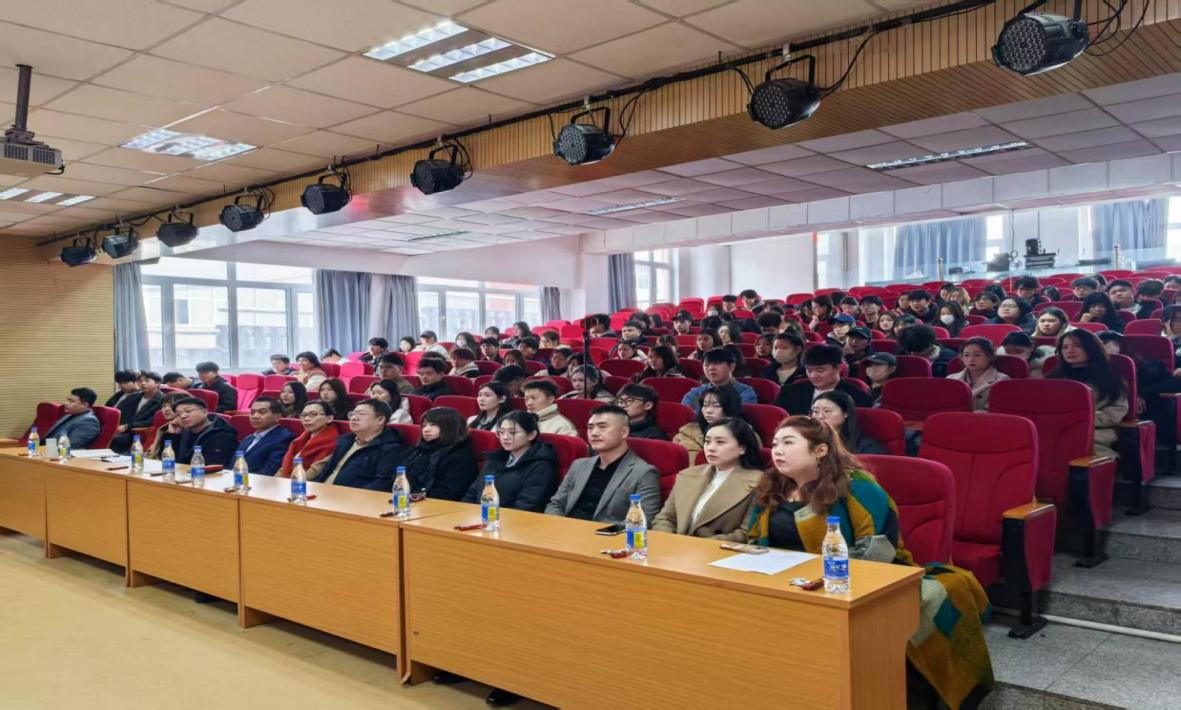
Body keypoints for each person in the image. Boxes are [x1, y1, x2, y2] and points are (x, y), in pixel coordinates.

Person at [748, 416, 994, 709]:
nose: (777, 450)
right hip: (786, 582)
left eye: (788, 443)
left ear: (820, 450)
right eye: (775, 443)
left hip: (858, 579)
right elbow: (754, 540)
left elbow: (878, 548)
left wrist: (821, 578)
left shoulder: (856, 486)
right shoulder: (773, 486)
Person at [545, 405, 661, 523]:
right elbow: (556, 504)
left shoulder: (643, 473)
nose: (594, 433)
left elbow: (641, 519)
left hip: (607, 533)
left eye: (602, 427)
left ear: (624, 432)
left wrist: (600, 533)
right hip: (565, 529)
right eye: (590, 427)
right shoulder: (579, 465)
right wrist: (558, 526)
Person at [652, 417, 762, 541]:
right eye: (707, 441)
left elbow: (746, 533)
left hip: (717, 549)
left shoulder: (758, 482)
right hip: (674, 546)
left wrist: (698, 545)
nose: (710, 448)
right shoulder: (687, 475)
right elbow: (665, 518)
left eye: (720, 442)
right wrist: (669, 541)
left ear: (742, 448)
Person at [1047, 330, 1128, 458]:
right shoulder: (1053, 378)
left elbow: (1114, 413)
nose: (1070, 350)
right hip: (1056, 428)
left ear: (1091, 348)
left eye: (1077, 346)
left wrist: (1077, 418)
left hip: (1096, 431)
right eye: (1065, 347)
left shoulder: (1110, 379)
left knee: (1069, 441)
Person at [461, 411, 559, 512]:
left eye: (512, 433)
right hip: (481, 517)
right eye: (501, 432)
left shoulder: (541, 466)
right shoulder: (494, 459)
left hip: (513, 519)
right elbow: (473, 493)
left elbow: (527, 505)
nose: (505, 437)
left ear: (531, 435)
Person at [313, 399, 406, 490]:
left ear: (380, 420)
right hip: (323, 493)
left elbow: (380, 485)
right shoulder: (345, 440)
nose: (354, 418)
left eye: (361, 414)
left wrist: (347, 497)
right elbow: (325, 472)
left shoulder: (391, 449)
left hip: (351, 498)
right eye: (352, 414)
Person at [401, 407, 479, 501]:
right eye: (424, 425)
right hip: (410, 501)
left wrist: (414, 497)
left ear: (450, 427)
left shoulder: (460, 457)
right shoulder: (420, 450)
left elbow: (449, 493)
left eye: (433, 425)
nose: (426, 430)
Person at [776, 344, 871, 414]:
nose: (813, 375)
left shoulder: (858, 398)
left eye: (820, 370)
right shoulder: (789, 392)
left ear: (838, 368)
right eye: (809, 370)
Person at [674, 385, 752, 456]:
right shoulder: (688, 433)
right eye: (705, 405)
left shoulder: (745, 434)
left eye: (716, 406)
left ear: (730, 407)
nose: (708, 411)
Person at [277, 401, 339, 478]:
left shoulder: (333, 443)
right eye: (303, 415)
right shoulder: (300, 440)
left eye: (313, 414)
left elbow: (312, 474)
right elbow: (284, 467)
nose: (306, 419)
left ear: (329, 418)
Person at [810, 391, 885, 454]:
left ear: (846, 413)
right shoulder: (807, 439)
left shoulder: (866, 446)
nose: (820, 416)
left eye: (827, 411)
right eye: (815, 411)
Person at [681, 348, 757, 409]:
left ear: (731, 366)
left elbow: (737, 418)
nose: (711, 368)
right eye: (706, 364)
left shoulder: (745, 392)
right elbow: (686, 415)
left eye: (717, 363)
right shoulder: (695, 392)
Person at [947, 337, 1009, 411]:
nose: (970, 359)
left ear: (990, 356)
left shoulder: (1001, 380)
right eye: (966, 355)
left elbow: (994, 410)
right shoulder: (951, 379)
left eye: (977, 355)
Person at [172, 396, 237, 467]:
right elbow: (167, 459)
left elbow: (213, 466)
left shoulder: (222, 435)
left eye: (188, 411)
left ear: (205, 412)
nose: (183, 416)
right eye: (178, 414)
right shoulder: (183, 432)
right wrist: (173, 435)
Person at [238, 397, 296, 475]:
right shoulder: (248, 438)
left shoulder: (284, 438)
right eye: (252, 412)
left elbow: (271, 471)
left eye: (262, 412)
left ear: (277, 417)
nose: (255, 416)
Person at [110, 371, 166, 453]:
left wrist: (127, 426)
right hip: (125, 430)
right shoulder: (134, 397)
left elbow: (152, 421)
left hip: (140, 432)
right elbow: (121, 413)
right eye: (140, 381)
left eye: (147, 381)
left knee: (118, 440)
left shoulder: (163, 400)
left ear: (157, 383)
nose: (143, 383)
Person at [148, 392, 190, 458]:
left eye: (171, 405)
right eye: (164, 406)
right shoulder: (163, 429)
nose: (166, 409)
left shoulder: (191, 428)